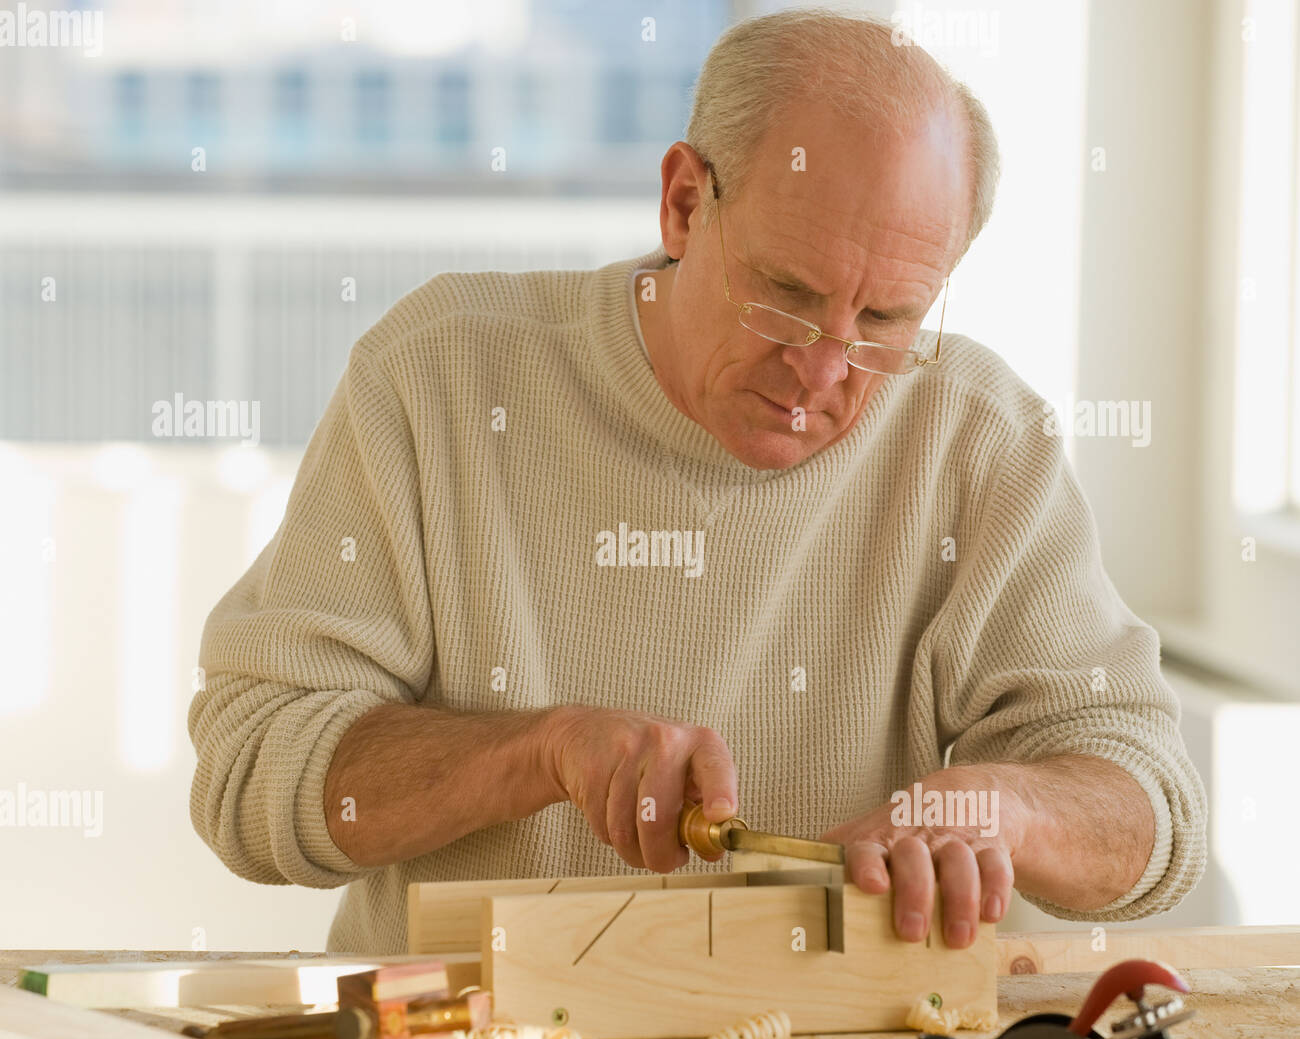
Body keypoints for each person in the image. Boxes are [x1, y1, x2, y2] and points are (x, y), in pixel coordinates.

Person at [189, 10, 1206, 954]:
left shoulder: (980, 436)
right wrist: (539, 755)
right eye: (788, 296)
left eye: (887, 321)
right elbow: (247, 779)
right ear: (683, 203)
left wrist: (995, 810)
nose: (822, 374)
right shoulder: (442, 375)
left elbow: (1154, 815)